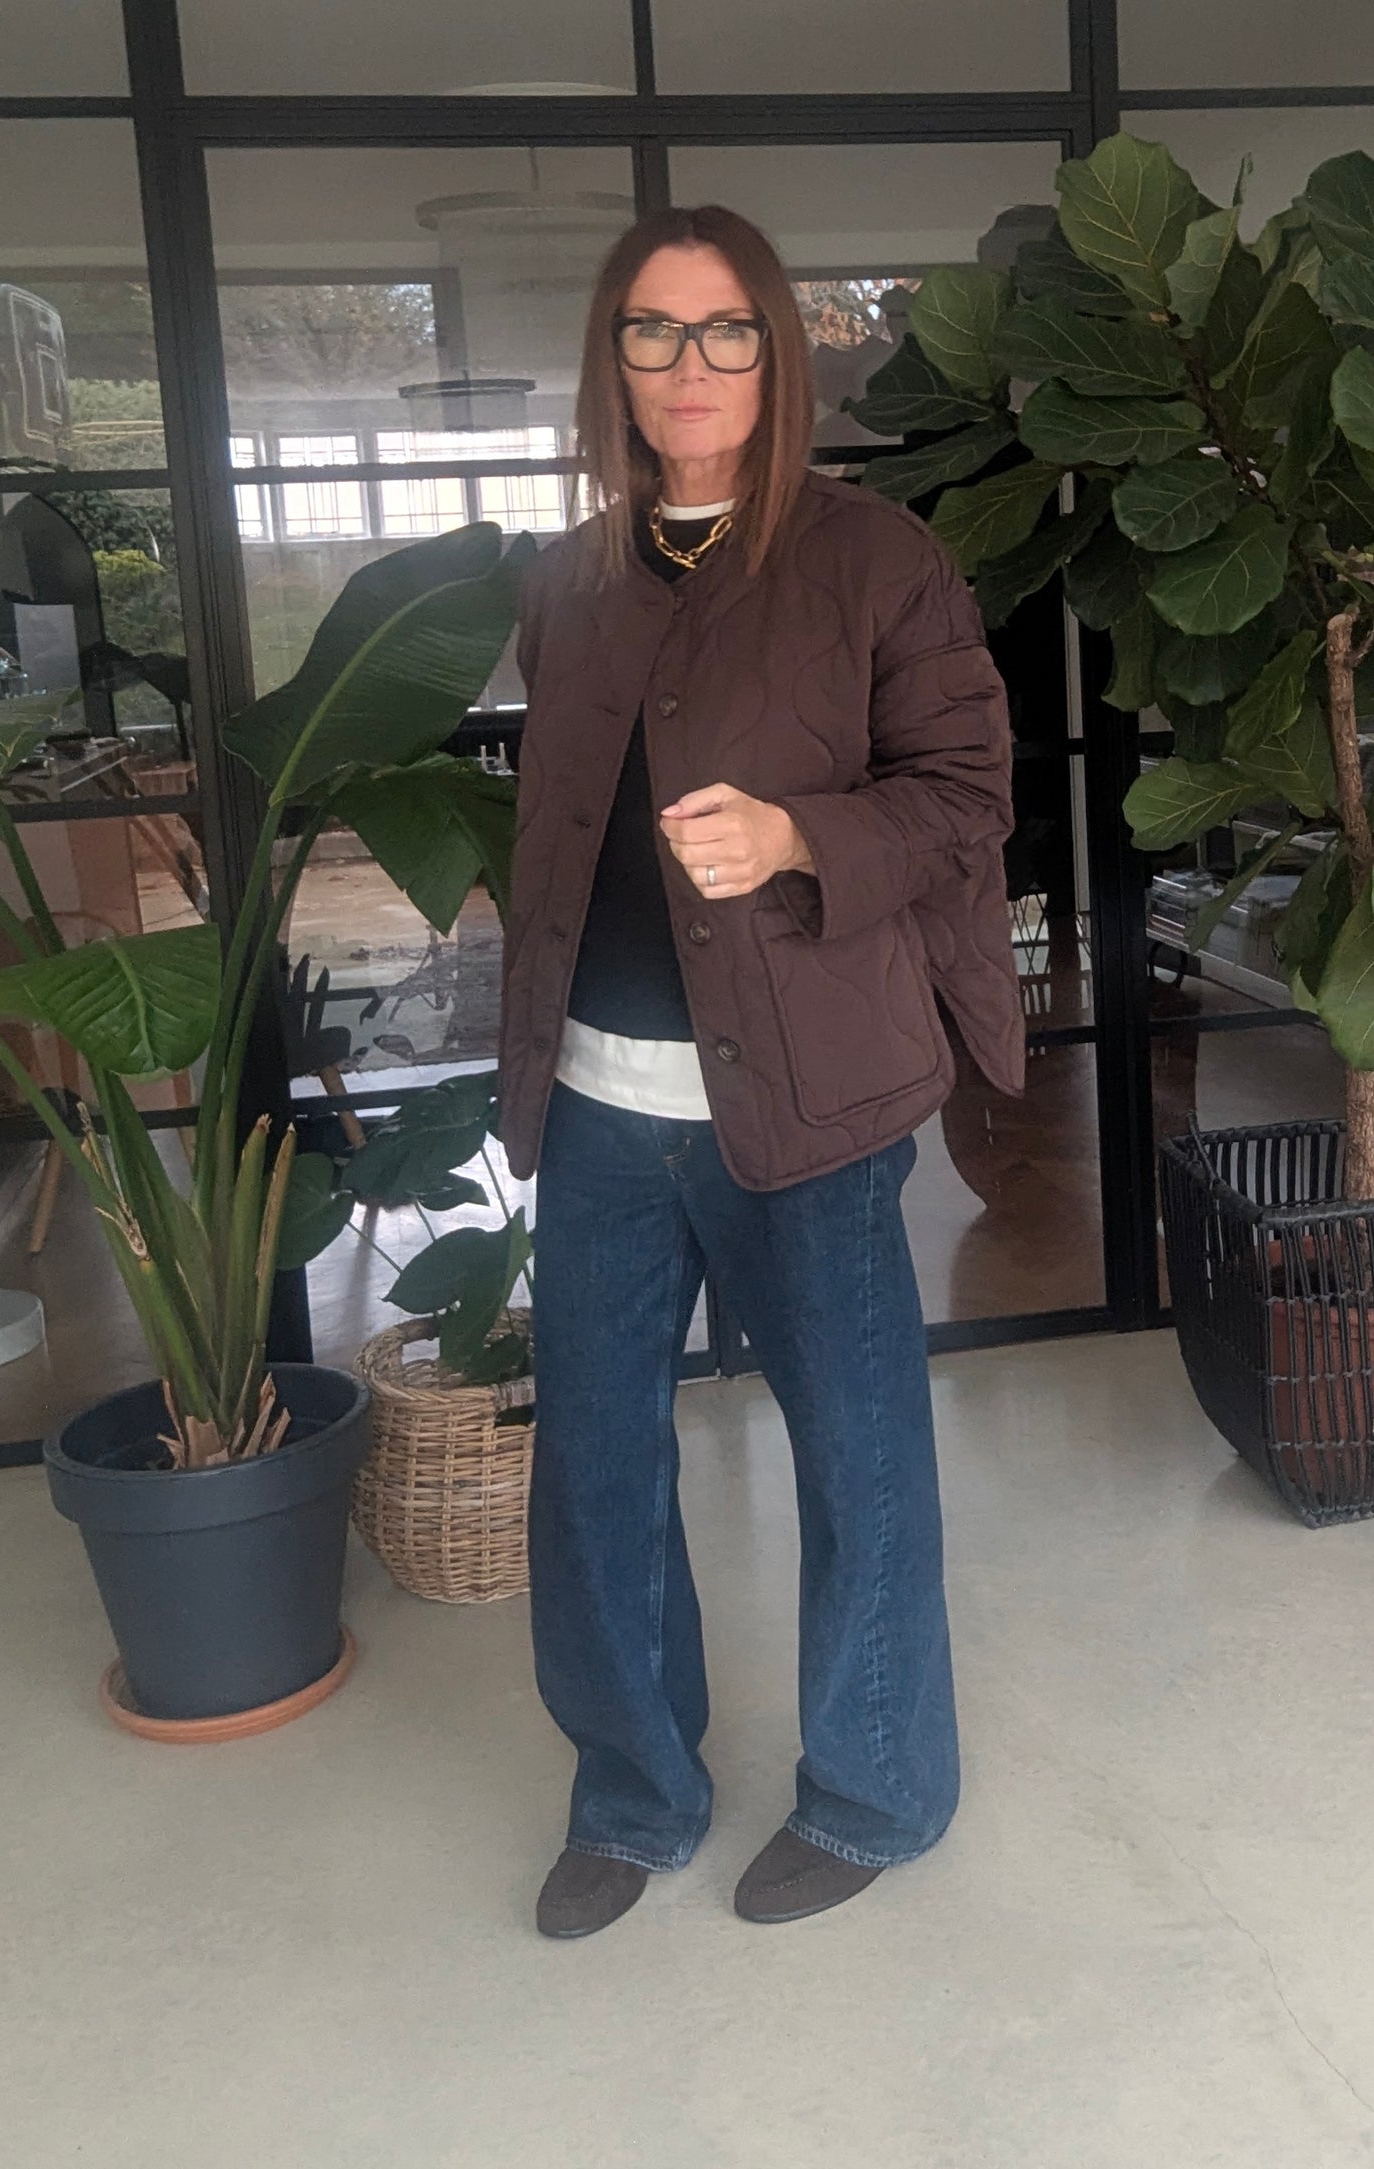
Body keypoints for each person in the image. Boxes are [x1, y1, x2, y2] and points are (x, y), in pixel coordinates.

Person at [496, 204, 1024, 1938]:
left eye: (725, 331)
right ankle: (632, 1794)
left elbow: (964, 801)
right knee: (590, 1468)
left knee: (856, 1457)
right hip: (596, 1102)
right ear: (612, 361)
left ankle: (878, 1787)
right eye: (652, 332)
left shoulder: (875, 560)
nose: (688, 366)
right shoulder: (568, 580)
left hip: (806, 1107)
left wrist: (800, 831)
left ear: (777, 355)